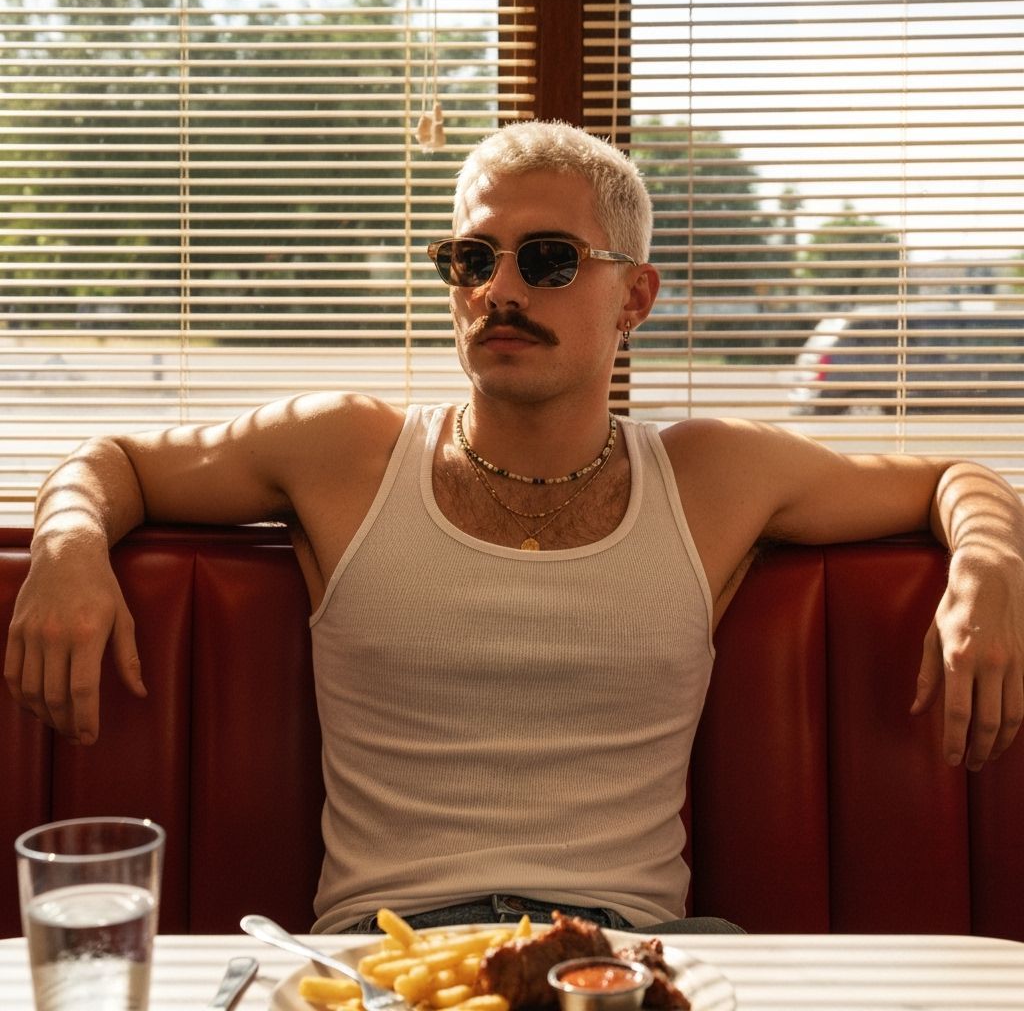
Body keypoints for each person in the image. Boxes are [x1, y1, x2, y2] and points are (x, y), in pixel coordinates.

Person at [5, 121, 1024, 936]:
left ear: (635, 298)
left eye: (545, 259)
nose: (498, 290)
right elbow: (116, 465)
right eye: (471, 258)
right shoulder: (341, 450)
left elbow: (954, 474)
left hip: (632, 956)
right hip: (385, 952)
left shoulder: (713, 475)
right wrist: (67, 548)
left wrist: (986, 564)